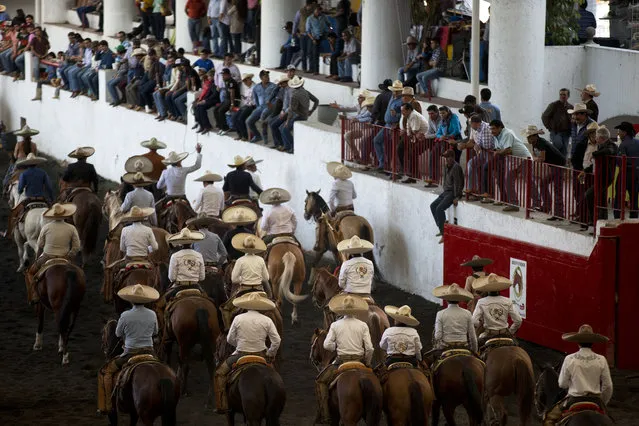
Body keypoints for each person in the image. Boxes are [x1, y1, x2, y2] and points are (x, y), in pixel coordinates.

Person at [214, 291, 281, 414]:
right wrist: (270, 353)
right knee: (275, 375)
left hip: (240, 354)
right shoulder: (267, 320)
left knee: (219, 373)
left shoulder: (238, 318)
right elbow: (277, 340)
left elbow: (229, 339)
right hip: (261, 354)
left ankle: (222, 405)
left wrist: (239, 345)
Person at [97, 284, 159, 415]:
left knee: (106, 372)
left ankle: (107, 405)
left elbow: (118, 334)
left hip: (130, 353)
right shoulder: (152, 314)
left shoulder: (125, 315)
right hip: (149, 352)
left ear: (131, 300)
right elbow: (155, 332)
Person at [315, 293, 373, 424]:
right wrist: (368, 363)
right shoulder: (362, 325)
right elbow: (370, 349)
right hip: (359, 361)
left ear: (342, 309)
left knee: (320, 382)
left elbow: (327, 345)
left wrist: (337, 346)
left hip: (341, 361)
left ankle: (325, 416)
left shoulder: (335, 325)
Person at [543, 324, 612, 426]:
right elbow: (608, 386)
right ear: (593, 342)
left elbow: (562, 384)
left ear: (578, 342)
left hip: (574, 399)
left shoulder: (569, 359)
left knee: (549, 419)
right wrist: (602, 402)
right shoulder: (601, 359)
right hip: (596, 400)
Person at [25, 204, 81, 304]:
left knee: (30, 272)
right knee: (78, 274)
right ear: (65, 215)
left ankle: (34, 294)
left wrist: (38, 257)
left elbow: (40, 245)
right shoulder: (71, 228)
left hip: (47, 256)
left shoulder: (46, 227)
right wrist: (70, 255)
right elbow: (76, 246)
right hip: (65, 256)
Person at [220, 233, 271, 328]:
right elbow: (266, 278)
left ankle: (228, 332)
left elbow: (234, 279)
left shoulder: (240, 260)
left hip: (244, 290)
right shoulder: (260, 260)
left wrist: (244, 278)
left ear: (243, 248)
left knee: (225, 309)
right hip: (260, 290)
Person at [524, 125, 566, 221]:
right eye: (528, 137)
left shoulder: (541, 143)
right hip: (553, 166)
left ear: (535, 136)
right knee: (543, 183)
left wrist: (532, 159)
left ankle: (559, 214)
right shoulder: (535, 144)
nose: (528, 138)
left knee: (557, 189)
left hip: (558, 166)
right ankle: (547, 206)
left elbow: (541, 158)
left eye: (530, 136)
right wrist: (533, 158)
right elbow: (535, 156)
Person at [490, 119, 533, 212]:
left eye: (493, 129)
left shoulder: (507, 134)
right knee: (508, 180)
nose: (492, 131)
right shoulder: (496, 135)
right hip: (513, 160)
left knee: (529, 181)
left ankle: (537, 204)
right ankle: (514, 204)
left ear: (500, 128)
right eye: (491, 129)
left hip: (523, 159)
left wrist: (498, 152)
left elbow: (508, 150)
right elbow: (499, 149)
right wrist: (498, 152)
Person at [471, 273, 522, 347]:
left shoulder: (481, 302)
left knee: (476, 350)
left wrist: (481, 325)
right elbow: (518, 320)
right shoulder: (507, 301)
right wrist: (511, 331)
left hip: (488, 334)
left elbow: (474, 321)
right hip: (505, 333)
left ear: (487, 288)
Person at [9, 154, 53, 238]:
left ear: (27, 164)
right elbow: (49, 187)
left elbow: (20, 189)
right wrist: (51, 199)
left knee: (14, 214)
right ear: (36, 163)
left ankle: (10, 232)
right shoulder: (43, 173)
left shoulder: (24, 174)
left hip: (29, 199)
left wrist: (22, 189)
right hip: (42, 199)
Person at [432, 283, 478, 356]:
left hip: (446, 346)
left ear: (446, 299)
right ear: (459, 300)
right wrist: (475, 351)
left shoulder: (440, 314)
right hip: (464, 346)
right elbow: (472, 336)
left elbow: (438, 336)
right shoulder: (467, 313)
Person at [430, 150, 464, 243]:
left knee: (439, 209)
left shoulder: (456, 167)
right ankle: (441, 228)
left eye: (448, 157)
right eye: (445, 158)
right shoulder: (446, 166)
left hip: (452, 193)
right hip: (446, 192)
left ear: (453, 157)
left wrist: (457, 196)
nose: (446, 160)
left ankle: (444, 232)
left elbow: (458, 183)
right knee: (433, 206)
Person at [165, 227, 206, 301]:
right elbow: (202, 277)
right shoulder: (199, 255)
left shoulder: (175, 256)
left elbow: (172, 277)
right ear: (191, 242)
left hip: (179, 286)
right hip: (195, 286)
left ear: (180, 243)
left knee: (163, 302)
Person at [280, 76, 318, 153]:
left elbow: (291, 109)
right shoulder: (305, 92)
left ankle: (292, 147)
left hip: (299, 116)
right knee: (282, 128)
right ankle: (288, 146)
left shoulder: (294, 94)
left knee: (284, 129)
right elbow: (316, 100)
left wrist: (288, 120)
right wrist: (311, 110)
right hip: (304, 115)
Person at [373, 80, 403, 170]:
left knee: (391, 147)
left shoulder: (401, 101)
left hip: (394, 126)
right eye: (394, 90)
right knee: (377, 141)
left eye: (397, 91)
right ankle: (383, 163)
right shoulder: (392, 97)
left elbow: (404, 115)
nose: (395, 92)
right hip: (388, 125)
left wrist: (396, 116)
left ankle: (391, 167)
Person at [613, 121, 639, 219]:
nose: (618, 133)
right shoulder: (637, 142)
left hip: (625, 173)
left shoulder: (623, 145)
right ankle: (634, 218)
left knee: (619, 197)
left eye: (620, 131)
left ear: (625, 132)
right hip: (636, 173)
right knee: (634, 197)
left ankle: (617, 217)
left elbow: (619, 161)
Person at [541, 88, 573, 157]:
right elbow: (544, 116)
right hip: (556, 132)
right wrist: (550, 127)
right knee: (558, 146)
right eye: (561, 94)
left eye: (564, 94)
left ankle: (561, 166)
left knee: (564, 151)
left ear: (568, 96)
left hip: (566, 133)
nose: (562, 96)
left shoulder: (570, 107)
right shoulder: (553, 105)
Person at [306, 5, 329, 75]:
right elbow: (308, 31)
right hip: (313, 37)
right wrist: (313, 39)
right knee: (311, 53)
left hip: (322, 36)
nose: (318, 12)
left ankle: (316, 70)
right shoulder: (309, 18)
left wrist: (330, 29)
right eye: (317, 11)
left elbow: (328, 24)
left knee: (315, 53)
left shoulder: (324, 17)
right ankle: (312, 69)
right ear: (314, 11)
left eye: (319, 11)